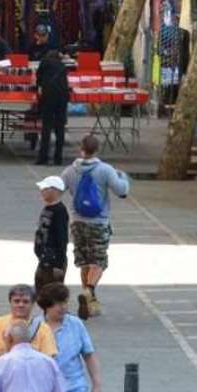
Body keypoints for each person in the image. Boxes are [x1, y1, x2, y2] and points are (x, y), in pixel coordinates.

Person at [62, 135, 130, 318]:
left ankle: (90, 302)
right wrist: (123, 177)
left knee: (84, 261)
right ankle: (89, 291)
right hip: (98, 222)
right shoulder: (105, 170)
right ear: (97, 149)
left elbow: (59, 188)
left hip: (77, 221)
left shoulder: (70, 171)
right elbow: (121, 191)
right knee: (99, 261)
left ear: (80, 149)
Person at [0, 284, 59, 369]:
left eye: (25, 301)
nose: (21, 305)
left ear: (32, 304)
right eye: (16, 301)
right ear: (10, 302)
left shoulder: (43, 329)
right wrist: (2, 370)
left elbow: (49, 359)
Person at [33, 176, 70, 292]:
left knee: (51, 294)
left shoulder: (59, 211)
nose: (41, 191)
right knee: (40, 288)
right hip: (44, 258)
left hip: (53, 260)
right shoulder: (48, 208)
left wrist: (59, 264)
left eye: (45, 189)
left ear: (55, 191)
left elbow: (62, 238)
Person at [34, 49, 70, 166]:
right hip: (62, 96)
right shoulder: (62, 66)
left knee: (46, 127)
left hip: (49, 96)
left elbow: (38, 78)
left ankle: (43, 157)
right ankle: (58, 158)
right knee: (60, 127)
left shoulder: (44, 62)